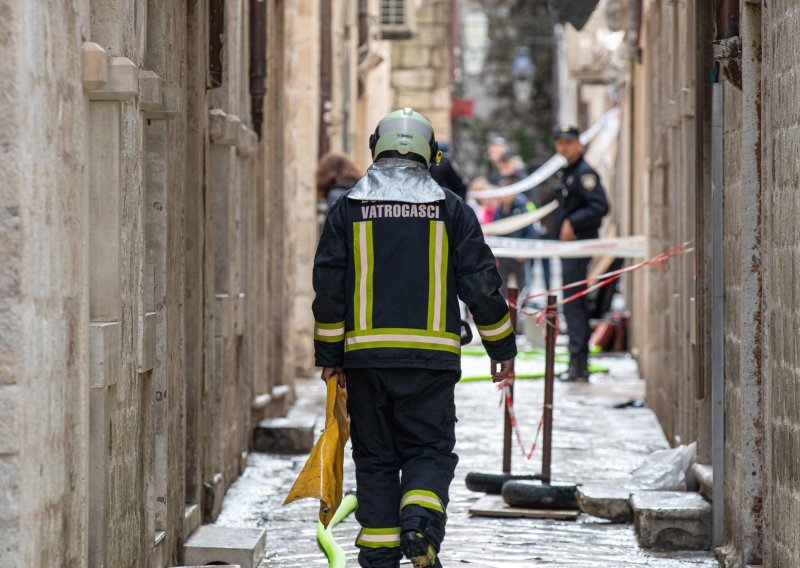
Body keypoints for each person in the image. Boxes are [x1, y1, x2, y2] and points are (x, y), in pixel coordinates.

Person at [312, 107, 517, 568]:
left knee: (377, 460)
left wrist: (330, 355)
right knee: (427, 449)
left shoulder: (348, 210)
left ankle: (380, 557)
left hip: (365, 363)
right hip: (430, 365)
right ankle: (420, 525)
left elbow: (328, 286)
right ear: (430, 154)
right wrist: (501, 350)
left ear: (375, 148)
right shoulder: (452, 210)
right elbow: (482, 286)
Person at [552, 125, 609, 382]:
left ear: (579, 144)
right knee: (572, 303)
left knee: (574, 303)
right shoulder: (568, 173)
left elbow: (600, 206)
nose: (563, 147)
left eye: (568, 142)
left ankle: (579, 363)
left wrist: (573, 222)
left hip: (580, 245)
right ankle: (577, 361)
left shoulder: (585, 173)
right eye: (559, 142)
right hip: (569, 247)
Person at [491, 170, 535, 296]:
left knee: (523, 286)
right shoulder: (499, 210)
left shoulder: (522, 208)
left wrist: (524, 252)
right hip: (503, 255)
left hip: (519, 255)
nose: (503, 195)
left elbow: (531, 232)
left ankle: (523, 309)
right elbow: (495, 230)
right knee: (502, 285)